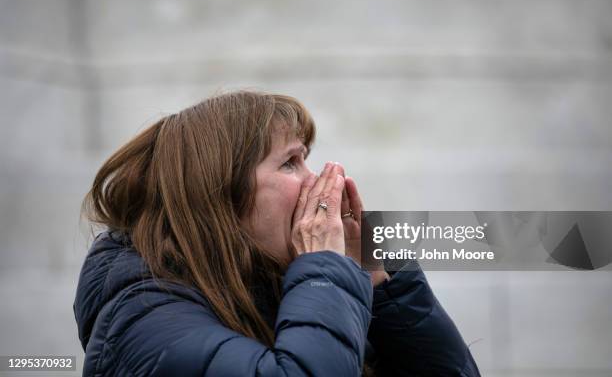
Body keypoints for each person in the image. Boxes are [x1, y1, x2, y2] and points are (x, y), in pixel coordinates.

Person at [74, 91, 480, 376]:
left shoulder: (291, 291)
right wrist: (323, 271)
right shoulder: (146, 322)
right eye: (289, 164)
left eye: (307, 159)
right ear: (220, 199)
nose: (315, 181)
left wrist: (380, 286)